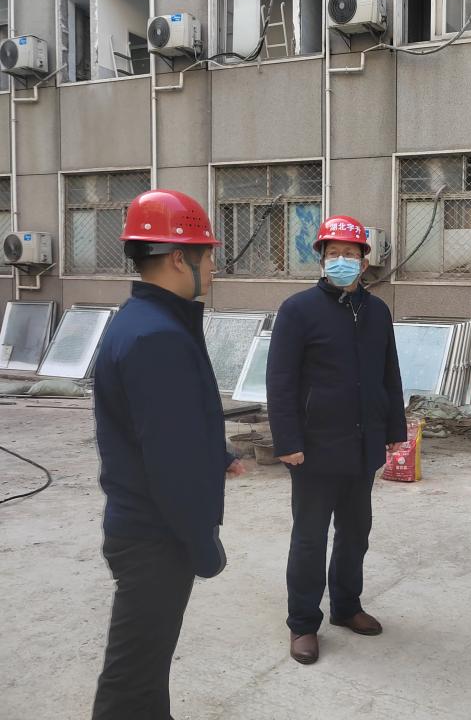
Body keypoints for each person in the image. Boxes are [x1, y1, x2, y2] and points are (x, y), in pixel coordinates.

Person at [92, 190, 244, 719]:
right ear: (180, 258)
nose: (214, 267)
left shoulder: (145, 320)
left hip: (144, 525)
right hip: (155, 536)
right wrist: (203, 546)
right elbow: (170, 466)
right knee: (132, 680)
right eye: (208, 255)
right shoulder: (159, 336)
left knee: (144, 667)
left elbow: (159, 426)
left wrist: (214, 451)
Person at [267, 215, 406, 666]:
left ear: (364, 262)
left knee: (355, 532)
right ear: (322, 260)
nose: (341, 260)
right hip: (313, 448)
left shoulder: (377, 311)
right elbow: (280, 381)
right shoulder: (298, 310)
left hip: (362, 446)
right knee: (310, 538)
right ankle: (303, 622)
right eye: (333, 254)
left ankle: (346, 606)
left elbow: (388, 374)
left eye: (349, 254)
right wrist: (287, 440)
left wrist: (394, 431)